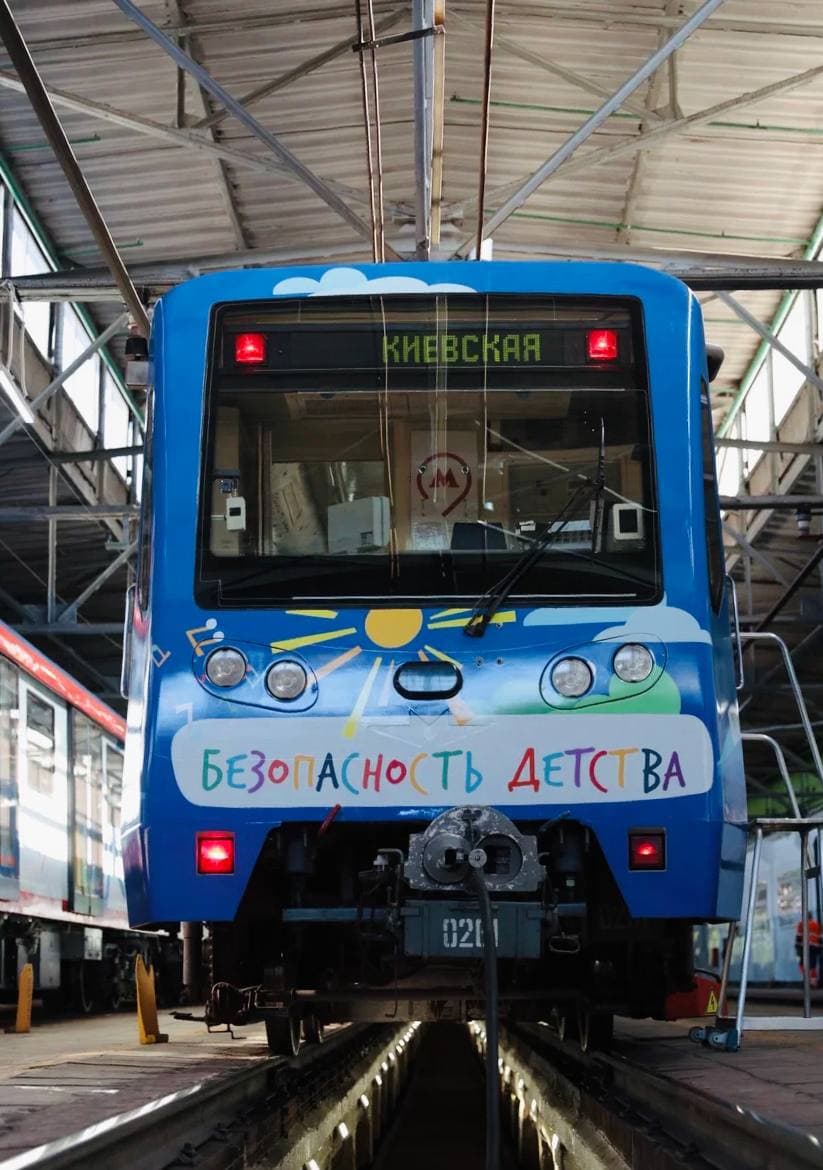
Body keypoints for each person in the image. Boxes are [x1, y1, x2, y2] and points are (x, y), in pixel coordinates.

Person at [794, 912, 821, 986]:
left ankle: (807, 979)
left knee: (801, 964)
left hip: (805, 947)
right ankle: (814, 982)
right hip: (815, 947)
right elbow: (820, 938)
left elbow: (798, 937)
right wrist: (819, 948)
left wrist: (797, 948)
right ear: (811, 917)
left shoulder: (801, 924)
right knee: (813, 965)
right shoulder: (816, 925)